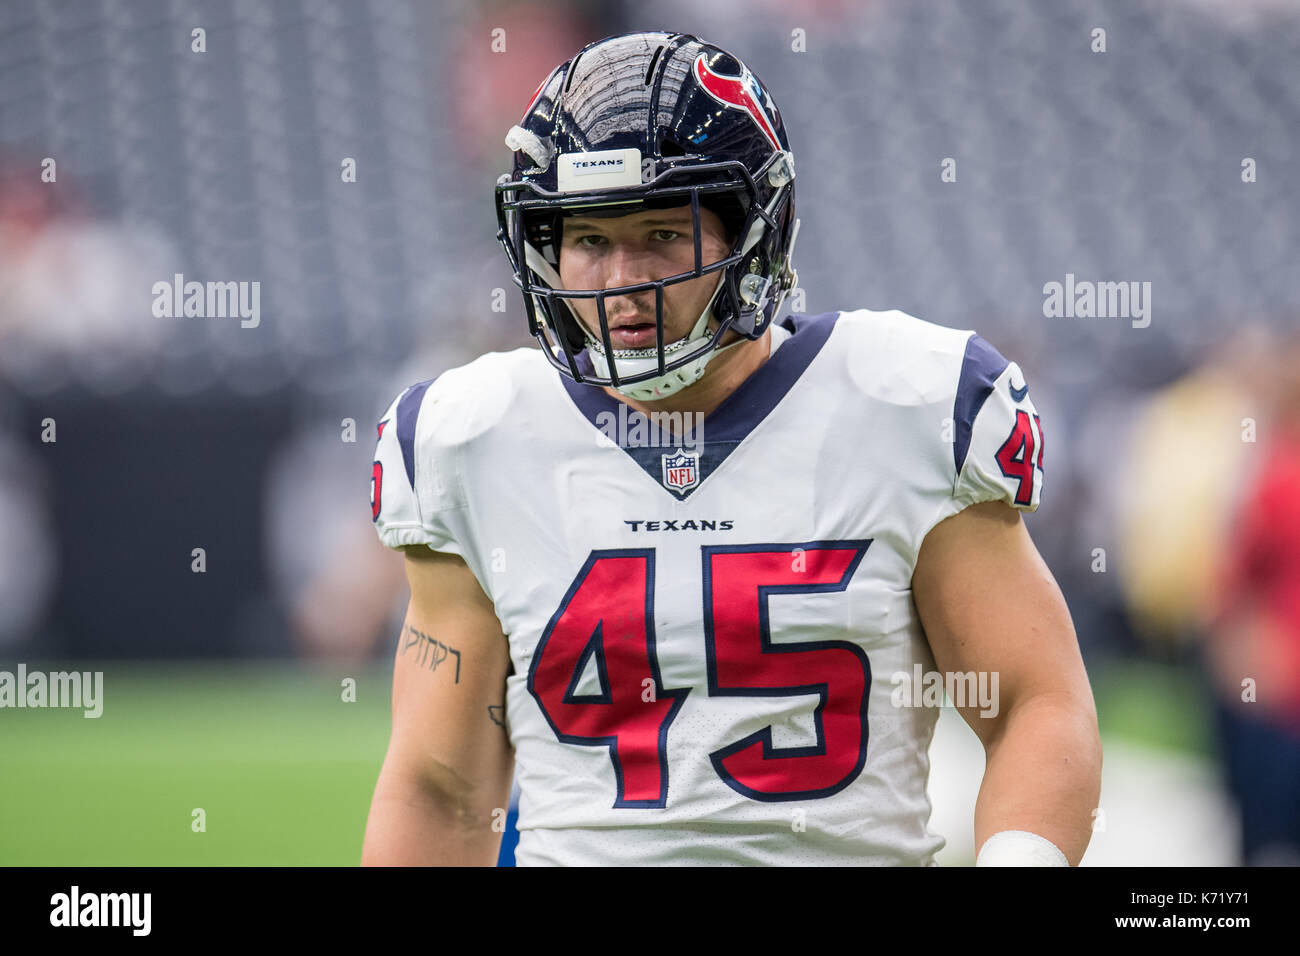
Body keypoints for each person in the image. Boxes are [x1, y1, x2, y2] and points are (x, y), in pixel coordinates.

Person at [361, 31, 1100, 866]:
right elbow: (440, 784)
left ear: (756, 232)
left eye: (663, 235)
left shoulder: (906, 406)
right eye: (591, 241)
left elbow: (1035, 703)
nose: (620, 283)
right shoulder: (478, 439)